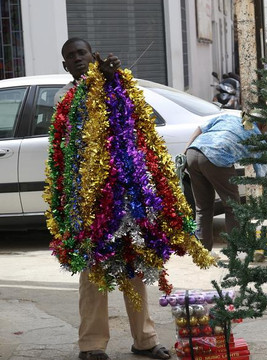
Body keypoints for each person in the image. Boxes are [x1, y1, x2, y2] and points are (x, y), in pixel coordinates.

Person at [49, 38, 179, 360]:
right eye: (71, 57)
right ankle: (91, 345)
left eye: (82, 53)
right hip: (87, 200)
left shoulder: (116, 87)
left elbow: (130, 121)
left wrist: (114, 80)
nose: (77, 59)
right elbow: (74, 132)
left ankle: (145, 340)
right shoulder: (65, 98)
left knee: (134, 264)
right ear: (66, 66)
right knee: (94, 269)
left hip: (125, 195)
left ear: (93, 55)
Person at [184, 113, 267, 251]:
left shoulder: (228, 117)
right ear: (263, 125)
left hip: (192, 153)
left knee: (202, 207)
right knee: (233, 207)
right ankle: (235, 251)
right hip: (217, 157)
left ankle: (203, 253)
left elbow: (200, 128)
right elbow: (261, 171)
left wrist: (186, 150)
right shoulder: (257, 136)